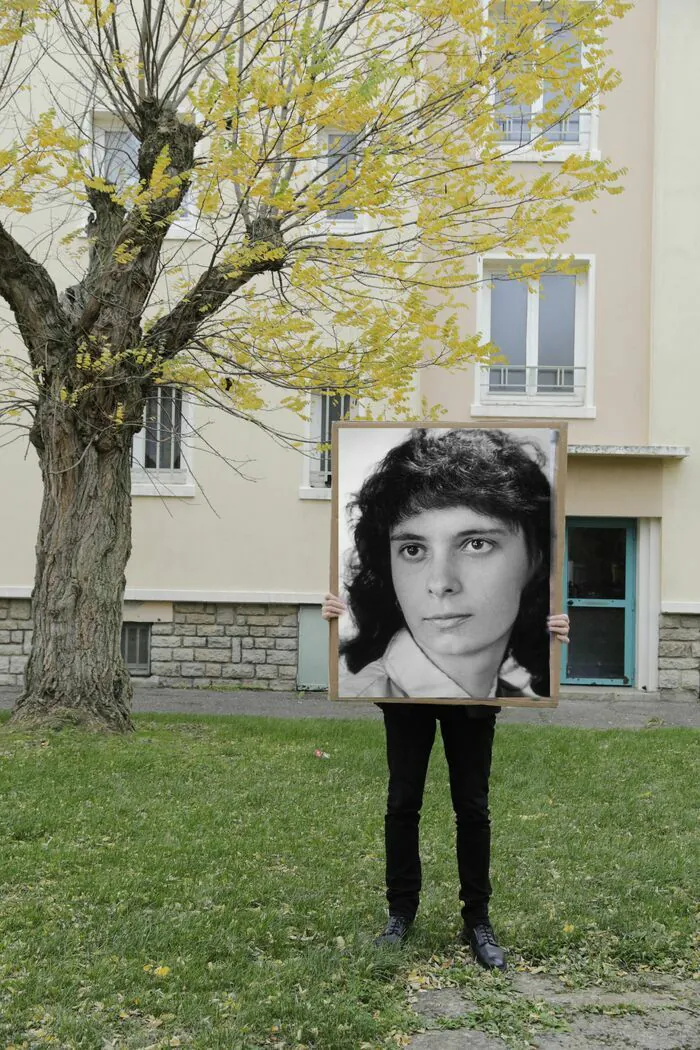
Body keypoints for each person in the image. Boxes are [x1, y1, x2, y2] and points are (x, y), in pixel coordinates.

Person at [322, 427, 569, 970]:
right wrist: (337, 622)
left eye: (476, 543)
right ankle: (400, 915)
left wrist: (555, 629)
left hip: (473, 712)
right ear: (388, 565)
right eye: (413, 549)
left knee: (472, 807)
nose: (440, 582)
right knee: (402, 803)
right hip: (405, 712)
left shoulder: (519, 679)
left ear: (533, 558)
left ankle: (476, 920)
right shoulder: (373, 677)